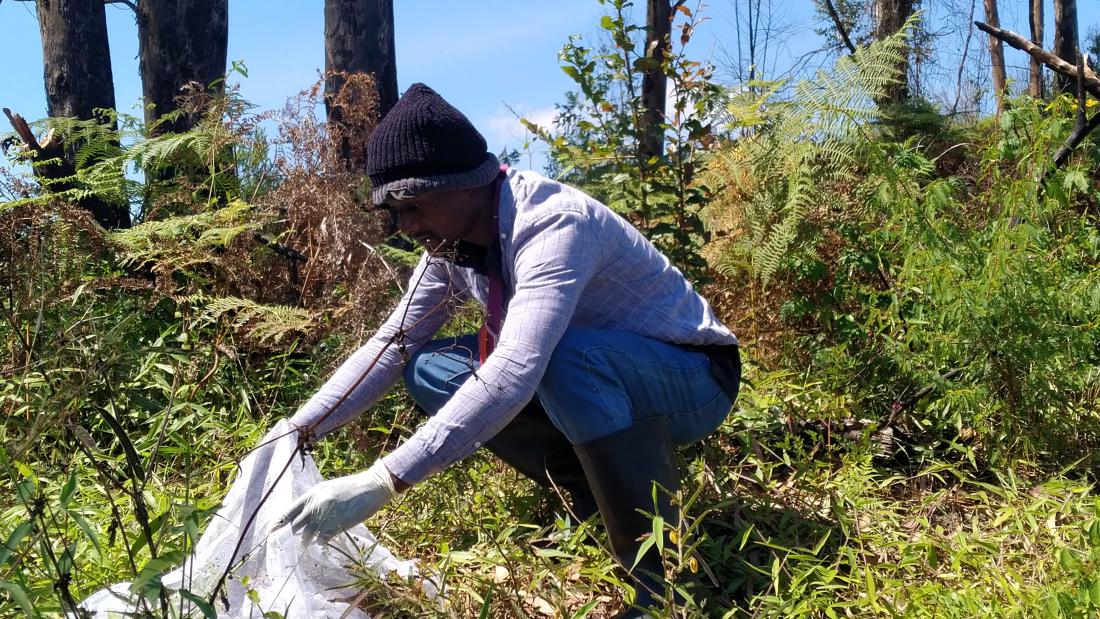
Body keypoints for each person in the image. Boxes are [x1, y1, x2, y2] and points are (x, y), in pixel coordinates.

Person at [276, 83, 740, 617]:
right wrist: (299, 429)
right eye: (394, 211)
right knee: (431, 369)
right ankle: (590, 500)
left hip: (692, 379)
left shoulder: (550, 223)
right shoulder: (450, 244)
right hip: (593, 378)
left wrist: (384, 480)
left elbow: (518, 366)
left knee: (562, 358)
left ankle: (658, 580)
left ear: (464, 185)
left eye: (414, 205)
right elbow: (395, 341)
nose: (405, 226)